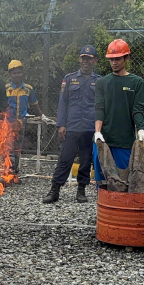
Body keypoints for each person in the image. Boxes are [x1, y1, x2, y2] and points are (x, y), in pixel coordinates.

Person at [43, 45, 101, 203]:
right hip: (72, 127)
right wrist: (61, 124)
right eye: (83, 58)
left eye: (89, 59)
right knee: (65, 159)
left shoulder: (100, 81)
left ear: (94, 60)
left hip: (89, 128)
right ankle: (55, 189)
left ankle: (81, 190)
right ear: (79, 59)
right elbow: (63, 103)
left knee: (85, 160)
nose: (86, 61)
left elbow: (102, 106)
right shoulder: (69, 79)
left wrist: (99, 129)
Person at [93, 39, 144, 181]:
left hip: (124, 140)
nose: (114, 63)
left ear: (126, 58)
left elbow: (138, 109)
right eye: (111, 59)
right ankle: (102, 202)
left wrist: (140, 129)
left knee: (122, 178)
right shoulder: (102, 83)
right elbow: (99, 108)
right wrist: (97, 132)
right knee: (102, 179)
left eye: (117, 59)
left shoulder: (136, 82)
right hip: (103, 140)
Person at [4, 60, 48, 183]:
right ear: (10, 74)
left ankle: (15, 174)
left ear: (22, 73)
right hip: (7, 124)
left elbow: (34, 104)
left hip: (21, 124)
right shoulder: (6, 89)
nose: (17, 75)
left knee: (17, 149)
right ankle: (6, 174)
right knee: (7, 149)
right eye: (14, 73)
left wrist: (42, 115)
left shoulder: (28, 89)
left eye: (19, 72)